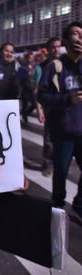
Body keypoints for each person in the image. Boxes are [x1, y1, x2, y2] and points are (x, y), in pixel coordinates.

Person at [37, 22, 82, 218]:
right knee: (61, 172)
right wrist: (66, 99)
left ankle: (79, 204)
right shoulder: (55, 67)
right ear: (65, 40)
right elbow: (42, 96)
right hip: (63, 131)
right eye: (75, 34)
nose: (79, 37)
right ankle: (57, 207)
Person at [37, 37, 62, 177]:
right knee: (49, 140)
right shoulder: (43, 66)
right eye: (53, 47)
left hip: (65, 107)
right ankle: (48, 163)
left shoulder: (65, 63)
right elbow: (38, 91)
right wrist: (40, 110)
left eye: (58, 46)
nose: (56, 49)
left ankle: (59, 162)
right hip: (50, 108)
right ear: (48, 49)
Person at [18, 51, 41, 122]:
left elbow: (39, 77)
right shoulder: (22, 67)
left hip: (33, 88)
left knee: (34, 104)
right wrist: (28, 73)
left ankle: (26, 113)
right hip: (25, 88)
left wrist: (37, 87)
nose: (29, 59)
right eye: (28, 58)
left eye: (31, 58)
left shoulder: (36, 66)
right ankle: (25, 117)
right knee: (25, 104)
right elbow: (20, 77)